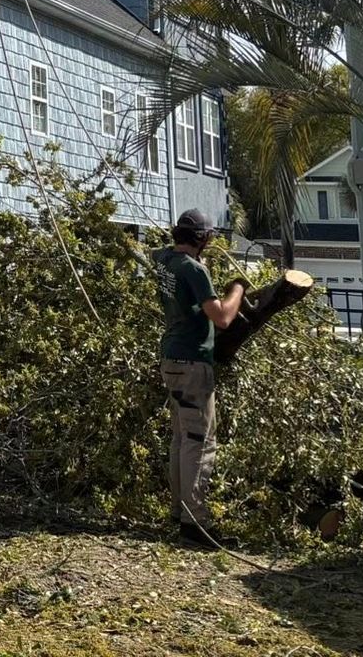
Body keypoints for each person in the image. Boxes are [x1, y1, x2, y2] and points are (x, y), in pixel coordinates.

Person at [152, 209, 246, 542]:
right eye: (208, 237)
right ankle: (195, 522)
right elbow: (221, 318)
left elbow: (157, 250)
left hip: (171, 358)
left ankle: (180, 512)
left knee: (181, 438)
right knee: (200, 441)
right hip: (192, 362)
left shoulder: (164, 259)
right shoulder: (193, 270)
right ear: (202, 239)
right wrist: (237, 290)